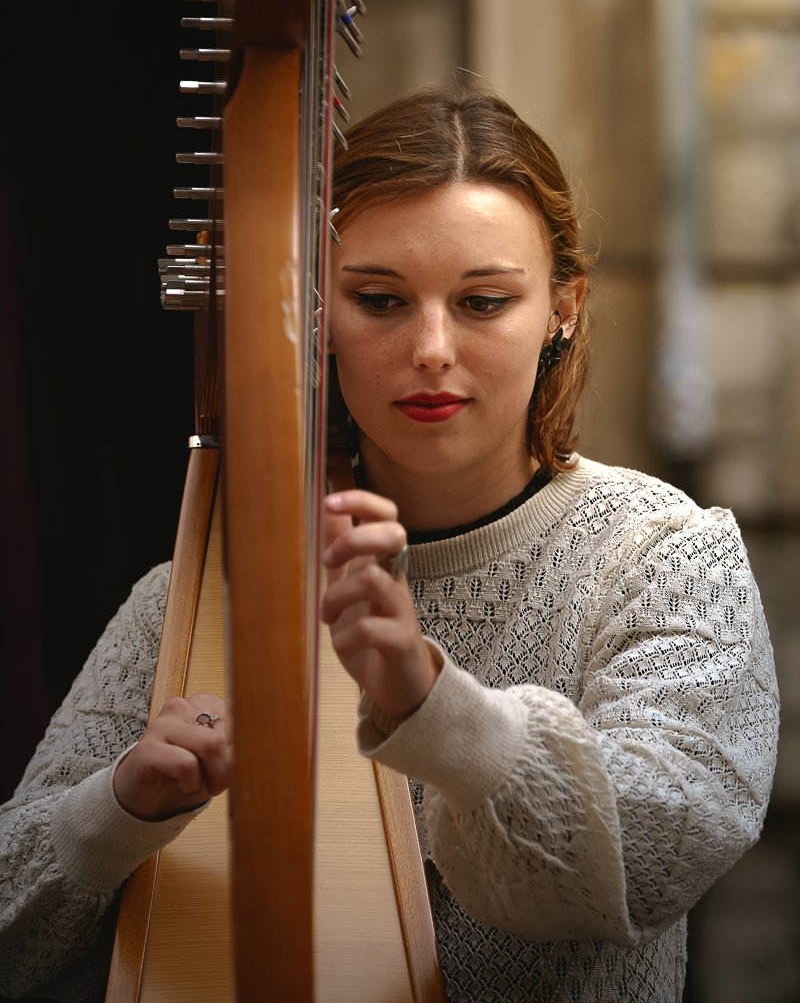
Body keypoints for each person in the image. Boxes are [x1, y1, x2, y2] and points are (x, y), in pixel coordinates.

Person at [0, 84, 780, 1003]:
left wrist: (430, 700)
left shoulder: (667, 554)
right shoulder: (198, 589)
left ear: (563, 307)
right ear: (320, 315)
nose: (432, 349)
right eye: (380, 300)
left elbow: (667, 843)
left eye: (484, 302)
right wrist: (120, 807)